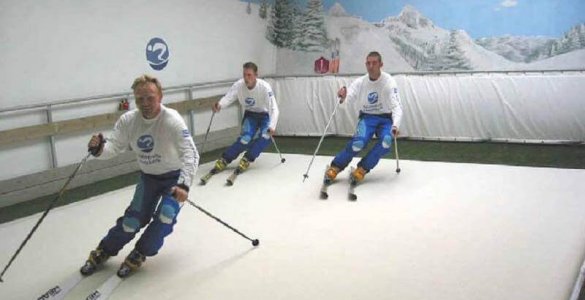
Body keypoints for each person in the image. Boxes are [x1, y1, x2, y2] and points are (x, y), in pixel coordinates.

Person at [81, 74, 199, 278]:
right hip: (149, 178)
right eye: (140, 98)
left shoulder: (171, 119)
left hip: (174, 178)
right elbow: (114, 146)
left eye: (150, 98)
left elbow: (191, 153)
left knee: (166, 215)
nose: (145, 103)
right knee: (132, 221)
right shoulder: (128, 120)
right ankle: (104, 249)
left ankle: (141, 251)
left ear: (160, 96)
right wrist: (99, 149)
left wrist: (184, 185)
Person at [324, 51, 403, 184]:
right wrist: (342, 98)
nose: (371, 66)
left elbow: (397, 106)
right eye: (368, 63)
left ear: (381, 64)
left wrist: (395, 125)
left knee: (386, 141)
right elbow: (348, 98)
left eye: (374, 63)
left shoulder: (389, 82)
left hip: (385, 118)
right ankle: (336, 166)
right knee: (358, 143)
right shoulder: (360, 82)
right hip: (367, 117)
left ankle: (363, 168)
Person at [207, 62, 279, 175]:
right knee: (245, 138)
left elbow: (274, 108)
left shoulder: (264, 87)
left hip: (264, 115)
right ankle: (225, 159)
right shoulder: (238, 85)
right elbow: (229, 97)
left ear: (256, 75)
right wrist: (220, 105)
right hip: (250, 115)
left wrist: (272, 126)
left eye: (249, 75)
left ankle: (247, 158)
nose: (246, 78)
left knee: (266, 136)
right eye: (244, 74)